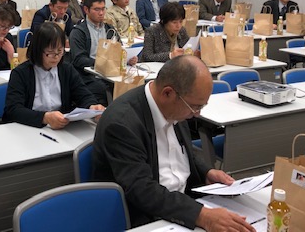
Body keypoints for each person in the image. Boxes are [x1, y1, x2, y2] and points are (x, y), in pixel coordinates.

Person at [93, 56, 254, 231]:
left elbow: (183, 151)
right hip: (148, 217)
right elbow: (142, 190)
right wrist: (202, 216)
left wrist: (206, 172)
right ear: (167, 93)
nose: (197, 114)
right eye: (195, 107)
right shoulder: (122, 123)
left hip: (184, 203)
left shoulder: (175, 106)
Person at [3, 22, 104, 128]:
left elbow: (83, 95)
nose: (56, 57)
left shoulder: (66, 70)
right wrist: (44, 118)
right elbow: (13, 110)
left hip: (61, 127)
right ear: (38, 50)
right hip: (29, 127)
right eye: (50, 52)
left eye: (60, 51)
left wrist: (92, 106)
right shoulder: (21, 73)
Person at [69, 0, 137, 106]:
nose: (101, 13)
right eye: (97, 9)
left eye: (103, 9)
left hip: (112, 73)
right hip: (88, 75)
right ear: (86, 10)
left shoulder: (110, 29)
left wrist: (127, 59)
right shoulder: (79, 32)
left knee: (133, 86)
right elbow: (78, 59)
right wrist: (101, 63)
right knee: (102, 89)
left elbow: (120, 49)